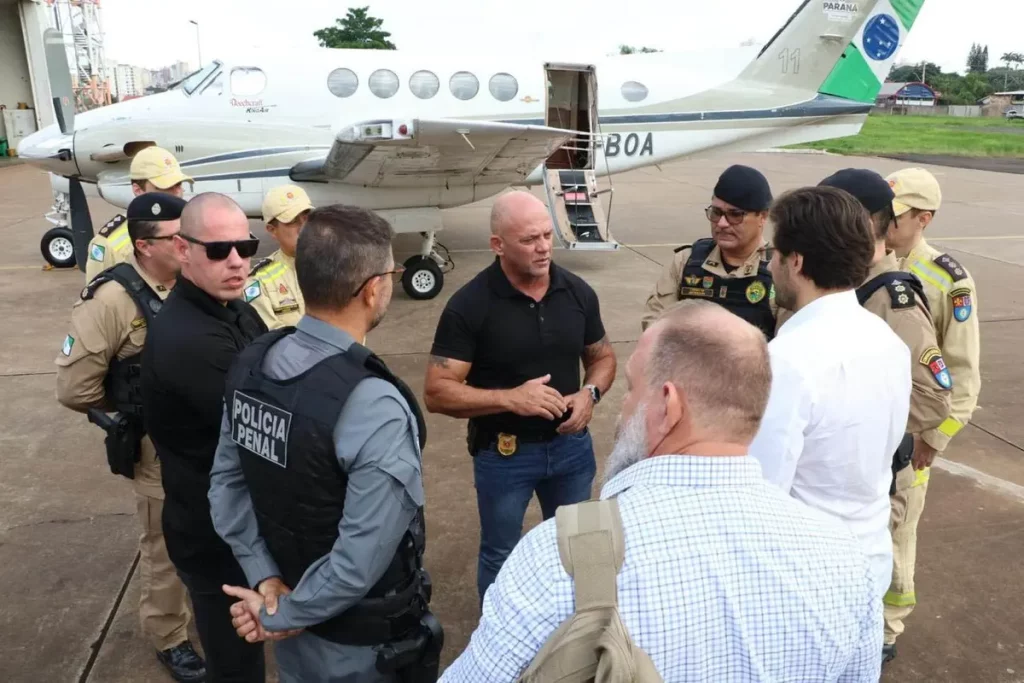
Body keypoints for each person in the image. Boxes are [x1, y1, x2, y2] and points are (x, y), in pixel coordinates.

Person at [439, 300, 884, 682]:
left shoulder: (556, 559)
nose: (623, 408)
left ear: (668, 405)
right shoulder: (845, 559)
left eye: (633, 390)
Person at [210, 204, 441, 683]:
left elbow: (226, 488)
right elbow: (359, 561)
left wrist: (267, 583)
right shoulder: (373, 404)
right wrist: (282, 613)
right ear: (373, 289)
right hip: (363, 649)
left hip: (295, 628)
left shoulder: (254, 363)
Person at [424, 190, 616, 603]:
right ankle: (499, 637)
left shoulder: (577, 292)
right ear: (498, 245)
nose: (544, 247)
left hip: (571, 449)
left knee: (580, 550)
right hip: (504, 455)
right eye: (530, 239)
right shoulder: (469, 305)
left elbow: (602, 357)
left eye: (547, 235)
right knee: (501, 554)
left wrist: (590, 393)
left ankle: (582, 631)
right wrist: (510, 399)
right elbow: (437, 392)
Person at [54, 193, 206, 683]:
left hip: (209, 437)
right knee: (165, 543)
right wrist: (131, 407)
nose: (187, 246)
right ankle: (170, 636)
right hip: (158, 447)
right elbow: (75, 389)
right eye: (176, 238)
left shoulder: (196, 281)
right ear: (144, 245)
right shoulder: (112, 300)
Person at [747, 185, 911, 604]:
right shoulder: (888, 342)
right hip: (870, 560)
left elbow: (762, 492)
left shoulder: (787, 360)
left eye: (773, 253)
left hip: (805, 579)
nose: (769, 265)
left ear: (796, 261)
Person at [141, 192, 268, 682]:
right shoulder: (190, 338)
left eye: (245, 246)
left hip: (235, 524)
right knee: (236, 668)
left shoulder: (229, 306)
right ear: (183, 249)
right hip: (216, 538)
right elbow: (268, 424)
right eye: (218, 250)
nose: (236, 261)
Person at [883, 167, 982, 660]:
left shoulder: (946, 280)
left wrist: (934, 438)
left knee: (897, 533)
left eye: (896, 217)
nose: (885, 223)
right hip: (870, 423)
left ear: (924, 218)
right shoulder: (867, 263)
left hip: (911, 431)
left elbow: (962, 374)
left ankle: (886, 630)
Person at [641, 164, 778, 338]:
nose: (722, 223)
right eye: (716, 212)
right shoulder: (686, 262)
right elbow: (656, 326)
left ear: (762, 216)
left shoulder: (780, 271)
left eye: (735, 215)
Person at [85, 146, 193, 281]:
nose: (176, 193)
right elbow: (98, 292)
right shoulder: (107, 244)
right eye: (165, 187)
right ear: (138, 190)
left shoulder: (196, 228)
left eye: (178, 185)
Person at [243, 184, 314, 329]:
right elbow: (269, 337)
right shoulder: (259, 282)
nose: (303, 227)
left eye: (306, 217)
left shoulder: (338, 266)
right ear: (272, 230)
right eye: (293, 221)